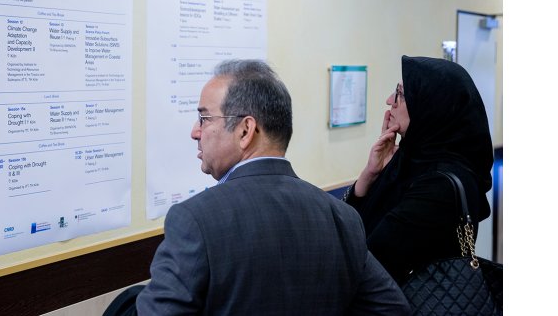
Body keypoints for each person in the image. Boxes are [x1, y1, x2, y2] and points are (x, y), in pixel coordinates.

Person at [129, 59, 410, 315]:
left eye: (204, 118)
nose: (195, 131)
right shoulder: (341, 218)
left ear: (245, 130)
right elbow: (393, 310)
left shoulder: (194, 221)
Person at [343, 55, 493, 283]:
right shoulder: (410, 159)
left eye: (401, 94)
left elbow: (368, 259)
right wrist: (369, 176)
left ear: (432, 107)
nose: (389, 100)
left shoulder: (440, 186)